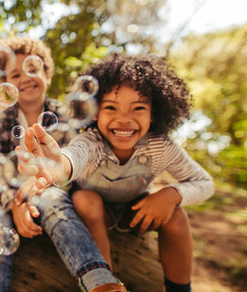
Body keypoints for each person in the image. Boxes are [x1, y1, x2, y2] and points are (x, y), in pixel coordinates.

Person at [16, 53, 215, 292]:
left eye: (138, 108)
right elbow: (74, 156)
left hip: (136, 211)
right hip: (96, 212)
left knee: (176, 215)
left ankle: (180, 289)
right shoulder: (92, 141)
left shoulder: (160, 146)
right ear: (95, 112)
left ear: (154, 114)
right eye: (111, 107)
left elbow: (205, 182)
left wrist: (171, 194)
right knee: (85, 199)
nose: (124, 120)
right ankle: (105, 284)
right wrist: (59, 163)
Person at [0, 35, 127, 292]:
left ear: (46, 75)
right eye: (14, 74)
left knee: (55, 203)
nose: (24, 78)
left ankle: (102, 284)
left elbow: (72, 169)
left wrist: (40, 186)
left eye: (32, 69)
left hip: (51, 190)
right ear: (6, 85)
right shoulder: (1, 123)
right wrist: (15, 205)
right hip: (9, 196)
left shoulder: (65, 116)